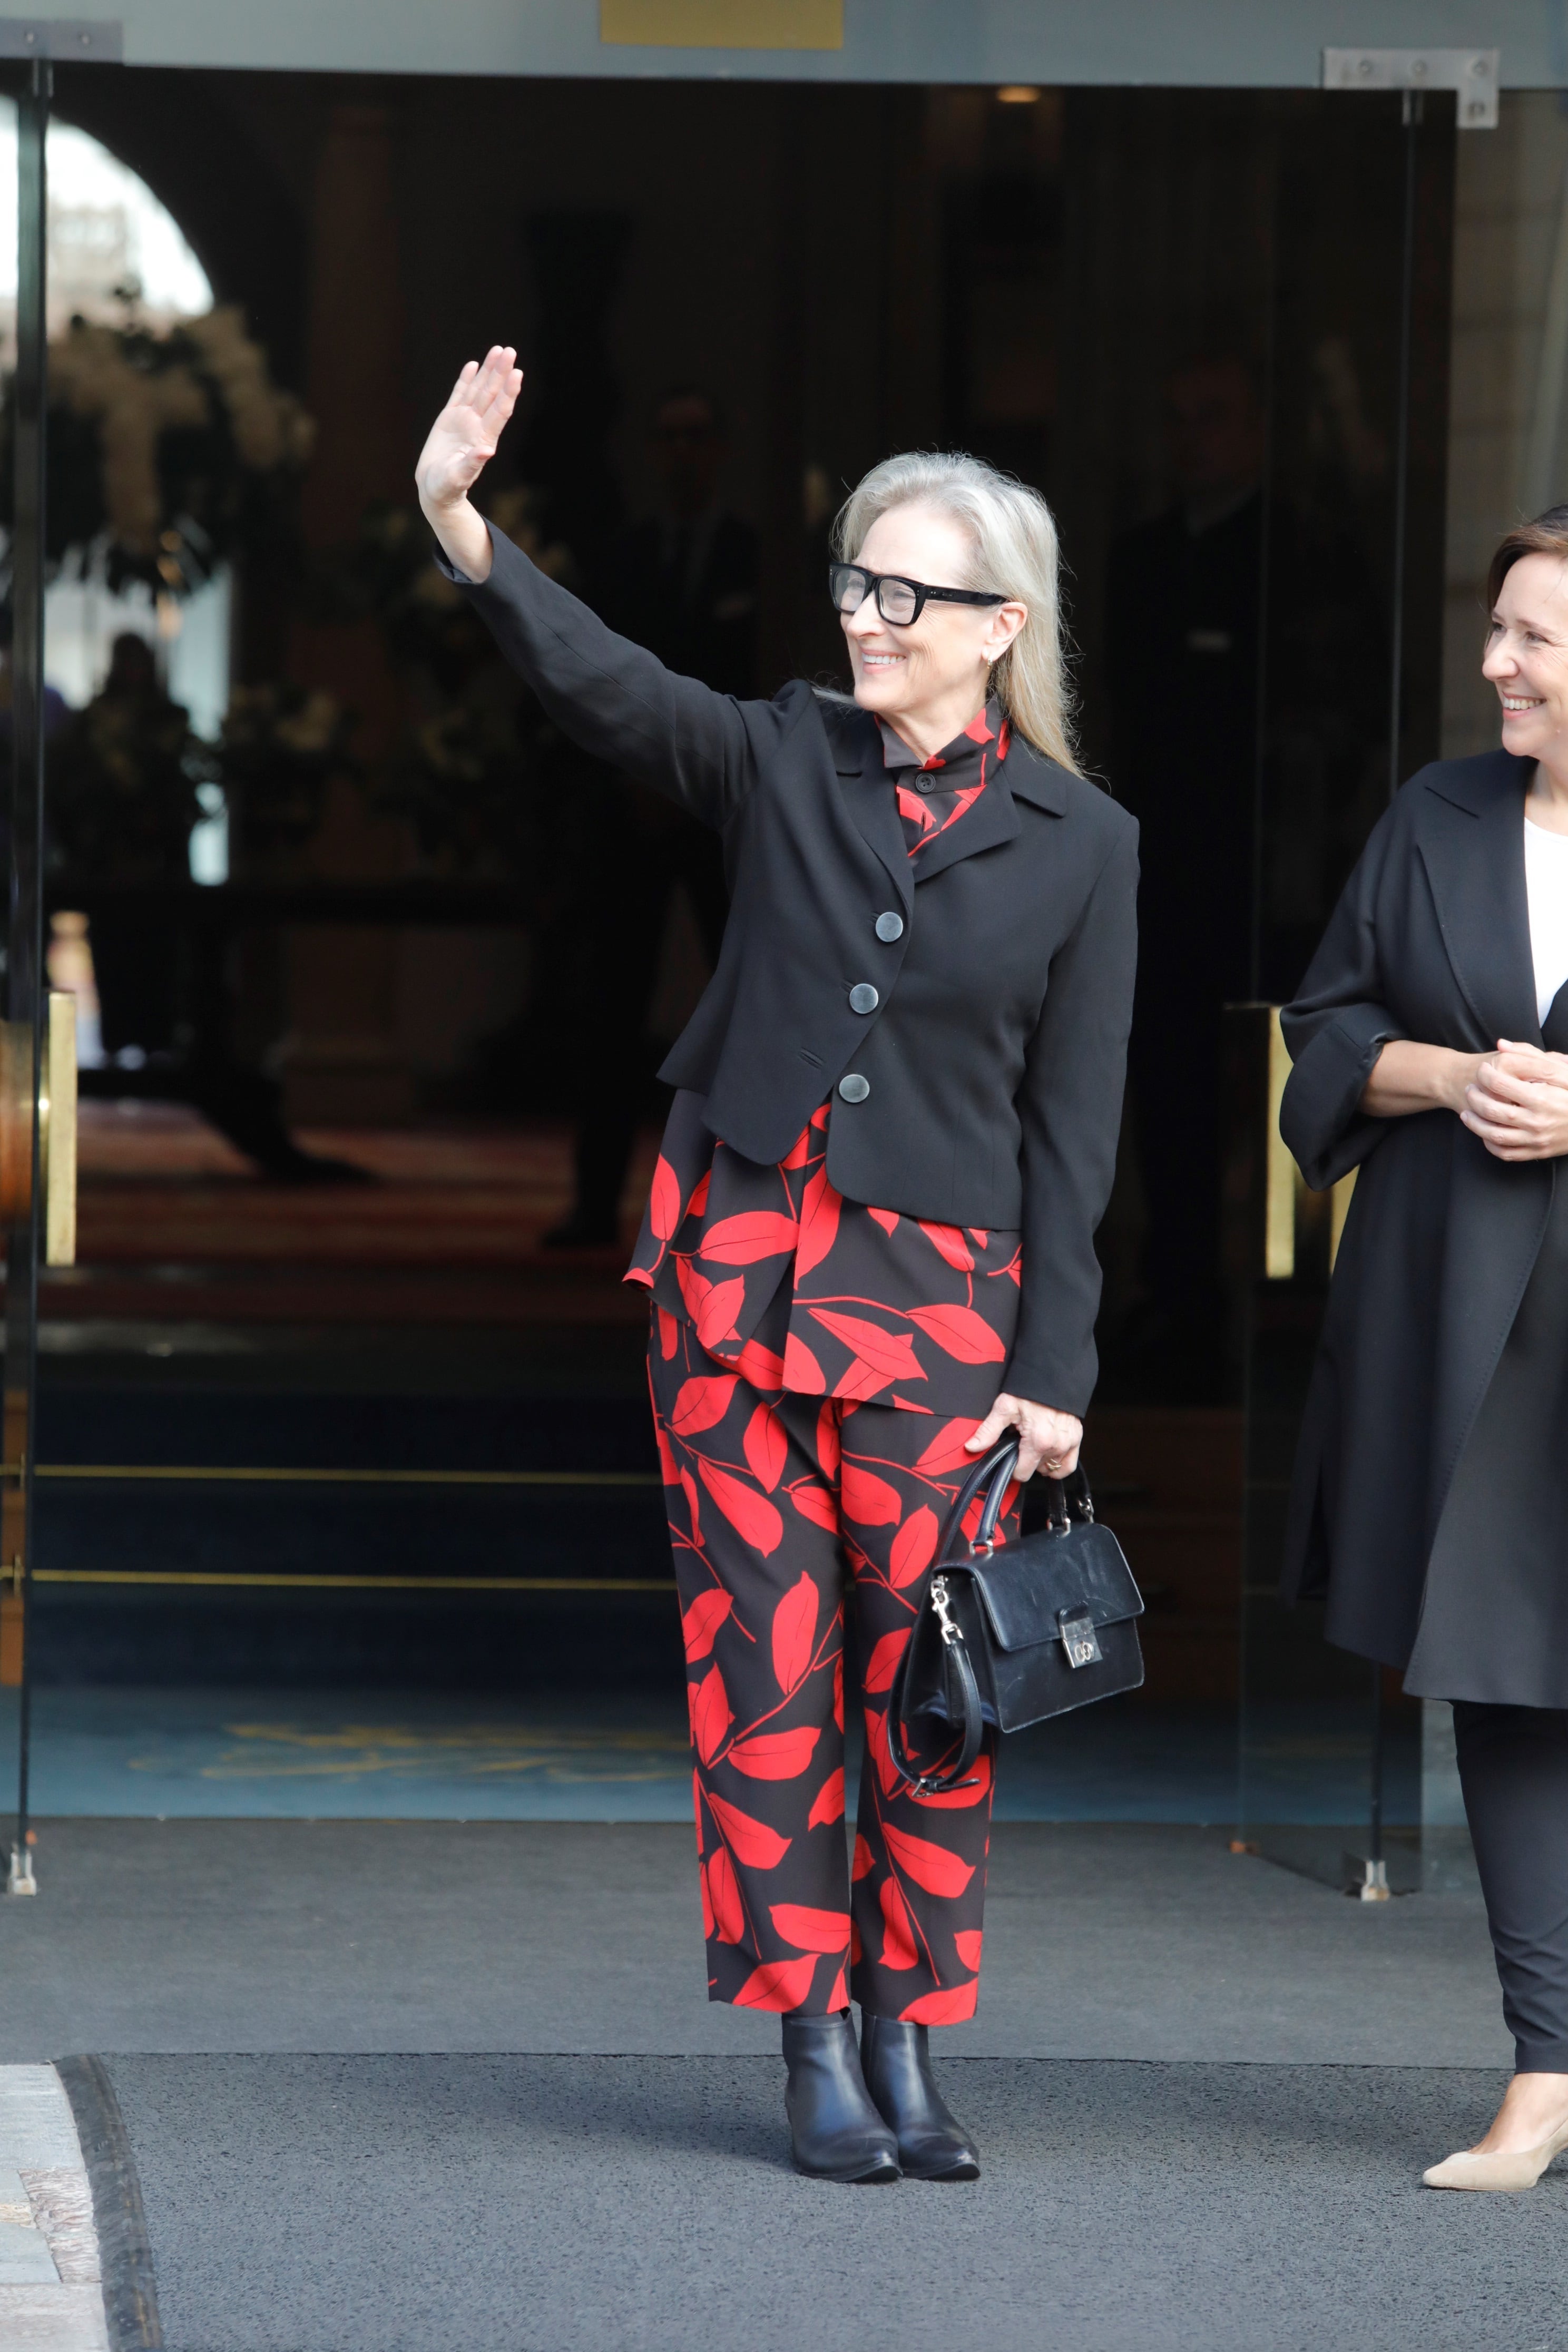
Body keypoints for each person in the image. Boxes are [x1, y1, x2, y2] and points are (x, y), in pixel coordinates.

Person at [416, 347, 1138, 2184]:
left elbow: (1076, 1125)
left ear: (999, 623)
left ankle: (914, 2036)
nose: (862, 615)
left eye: (903, 592)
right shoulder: (779, 749)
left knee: (929, 1675)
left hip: (938, 1321)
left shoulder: (1086, 845)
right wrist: (461, 527)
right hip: (730, 1277)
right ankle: (812, 2039)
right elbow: (609, 689)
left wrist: (1052, 1364)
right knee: (766, 1663)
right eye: (851, 581)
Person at [1280, 504, 1568, 2192]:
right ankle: (1545, 2078)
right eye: (1501, 629)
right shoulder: (1437, 814)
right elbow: (1330, 1029)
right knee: (1514, 1694)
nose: (1495, 664)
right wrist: (1456, 1080)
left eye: (1531, 636)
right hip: (1467, 1316)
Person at [544, 386, 757, 1246]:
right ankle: (596, 1202)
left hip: (724, 811)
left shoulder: (756, 558)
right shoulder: (623, 557)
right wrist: (639, 777)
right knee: (613, 1008)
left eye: (697, 436)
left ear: (720, 449)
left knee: (747, 999)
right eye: (667, 438)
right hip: (631, 806)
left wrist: (704, 785)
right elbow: (597, 680)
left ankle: (740, 1210)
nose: (682, 454)